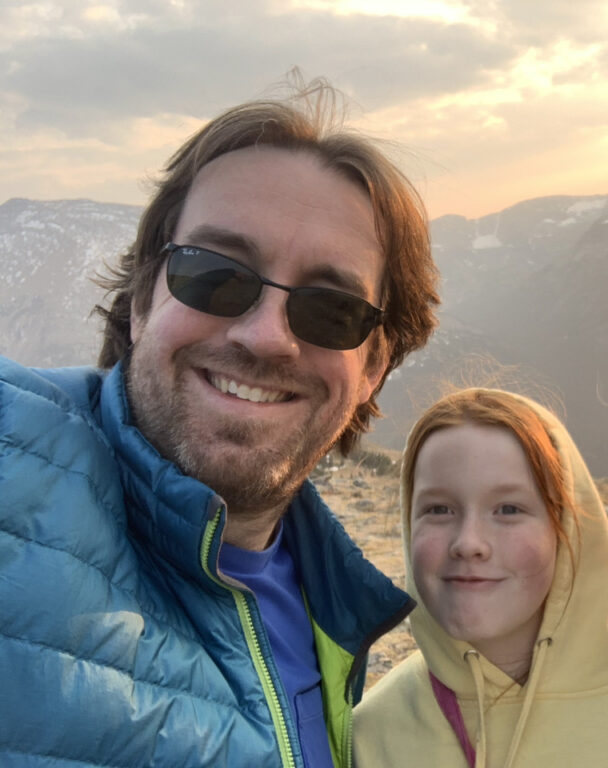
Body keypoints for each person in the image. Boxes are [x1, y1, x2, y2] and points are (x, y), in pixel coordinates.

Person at [0, 79, 439, 767]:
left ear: (374, 366)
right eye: (215, 274)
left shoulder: (333, 602)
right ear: (143, 299)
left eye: (330, 309)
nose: (267, 338)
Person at [353, 388, 608, 767]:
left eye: (508, 509)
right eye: (439, 509)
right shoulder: (373, 730)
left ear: (566, 526)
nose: (468, 543)